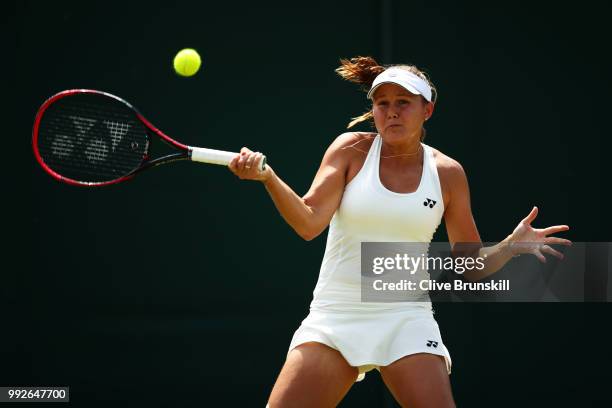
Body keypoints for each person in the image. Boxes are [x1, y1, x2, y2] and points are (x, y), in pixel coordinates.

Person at [228, 56, 571, 407]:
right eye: (382, 103)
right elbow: (308, 221)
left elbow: (470, 265)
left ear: (427, 111)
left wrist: (510, 246)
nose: (391, 112)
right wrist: (268, 178)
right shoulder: (350, 149)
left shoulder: (448, 173)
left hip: (404, 316)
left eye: (403, 103)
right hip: (336, 314)